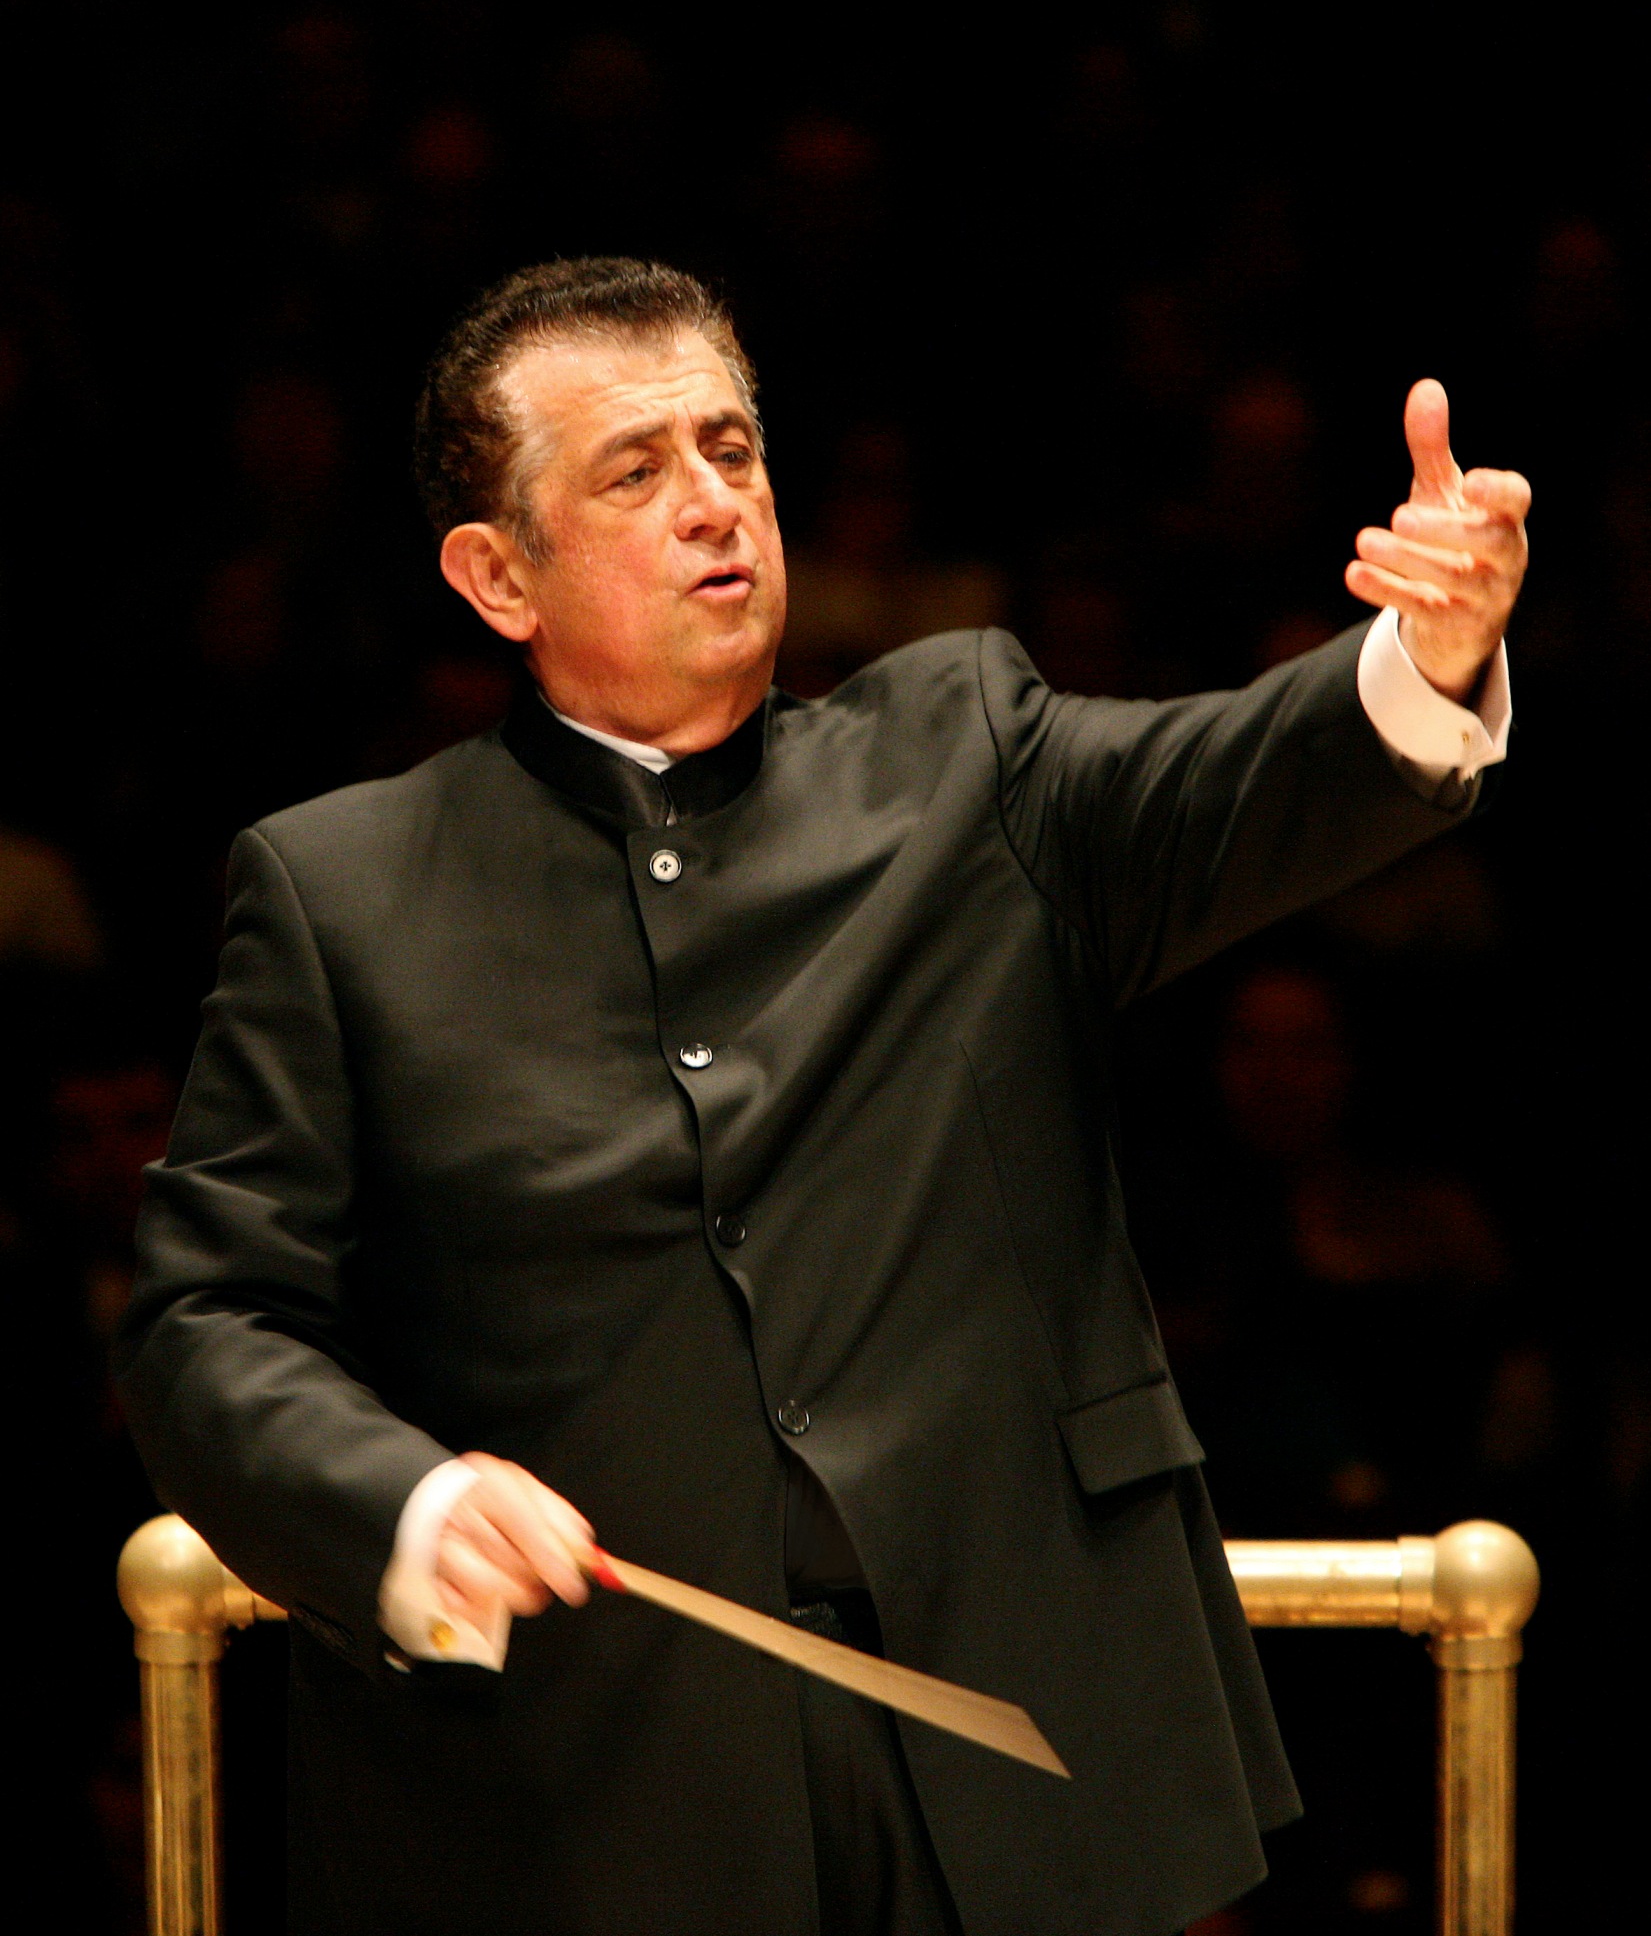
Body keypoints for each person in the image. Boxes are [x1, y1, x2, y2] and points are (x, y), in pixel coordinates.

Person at [119, 258, 1525, 1936]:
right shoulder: (341, 891)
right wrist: (406, 1500)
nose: (714, 501)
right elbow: (204, 1322)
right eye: (636, 471)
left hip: (1018, 1748)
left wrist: (1428, 652)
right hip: (581, 1792)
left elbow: (1240, 778)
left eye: (732, 448)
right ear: (498, 576)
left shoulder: (964, 755)